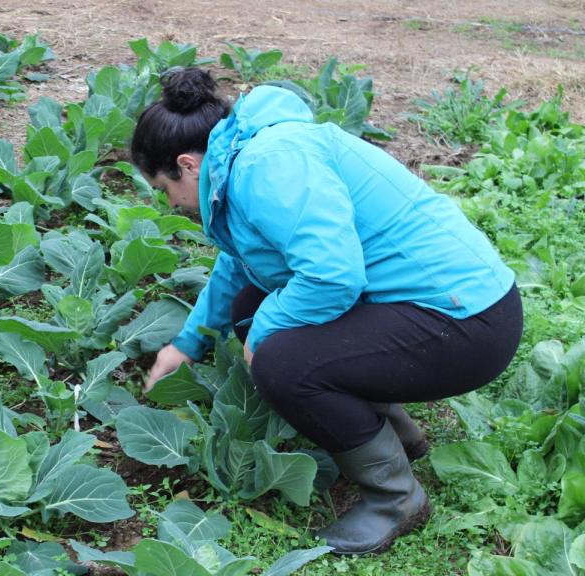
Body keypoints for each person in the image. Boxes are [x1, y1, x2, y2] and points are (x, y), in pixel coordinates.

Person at [132, 69, 522, 555]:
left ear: (188, 165)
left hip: (467, 321)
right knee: (250, 308)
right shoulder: (244, 154)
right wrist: (186, 344)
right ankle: (400, 439)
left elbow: (333, 277)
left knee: (281, 360)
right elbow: (240, 264)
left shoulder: (270, 166)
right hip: (436, 304)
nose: (170, 204)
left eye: (163, 190)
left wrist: (265, 336)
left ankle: (395, 498)